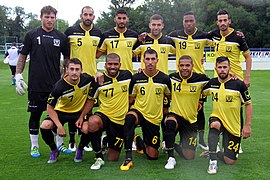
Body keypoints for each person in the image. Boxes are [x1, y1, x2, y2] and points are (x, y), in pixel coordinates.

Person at [15, 5, 70, 158]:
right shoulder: (31, 35)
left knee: (57, 115)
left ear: (55, 19)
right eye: (47, 17)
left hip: (55, 85)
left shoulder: (61, 37)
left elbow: (67, 60)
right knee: (35, 115)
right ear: (41, 17)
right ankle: (34, 146)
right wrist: (18, 74)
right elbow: (22, 56)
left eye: (52, 17)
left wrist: (66, 77)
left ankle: (60, 144)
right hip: (36, 84)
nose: (49, 20)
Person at [73, 53, 132, 170]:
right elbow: (90, 101)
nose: (112, 67)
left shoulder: (127, 75)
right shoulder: (99, 80)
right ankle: (98, 157)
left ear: (120, 65)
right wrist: (81, 117)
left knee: (113, 158)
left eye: (115, 64)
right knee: (92, 122)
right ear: (105, 65)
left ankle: (105, 140)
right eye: (109, 64)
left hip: (119, 122)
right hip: (104, 116)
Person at [168, 11, 213, 150]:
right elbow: (159, 42)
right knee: (177, 109)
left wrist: (236, 32)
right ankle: (170, 139)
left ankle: (200, 139)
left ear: (195, 22)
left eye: (191, 21)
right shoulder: (175, 36)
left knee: (199, 110)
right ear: (183, 22)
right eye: (186, 21)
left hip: (198, 79)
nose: (188, 23)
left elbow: (220, 39)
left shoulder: (203, 36)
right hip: (181, 77)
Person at [120, 48, 171, 171]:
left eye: (153, 59)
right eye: (147, 59)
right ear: (143, 60)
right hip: (139, 112)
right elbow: (130, 99)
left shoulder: (164, 79)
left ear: (157, 60)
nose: (150, 62)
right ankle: (128, 158)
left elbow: (168, 98)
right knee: (130, 118)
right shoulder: (136, 78)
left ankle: (138, 141)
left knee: (152, 156)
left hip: (153, 119)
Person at [202, 56, 252, 174]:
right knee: (214, 124)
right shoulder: (211, 83)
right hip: (217, 118)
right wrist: (199, 102)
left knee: (230, 161)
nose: (222, 70)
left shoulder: (239, 85)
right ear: (216, 68)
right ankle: (212, 161)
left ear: (229, 68)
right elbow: (200, 92)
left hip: (233, 125)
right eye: (220, 67)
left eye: (225, 67)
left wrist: (247, 125)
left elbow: (248, 104)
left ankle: (213, 152)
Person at [40, 58, 95, 163]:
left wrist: (81, 116)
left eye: (77, 69)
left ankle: (80, 149)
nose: (74, 72)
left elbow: (90, 100)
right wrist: (59, 126)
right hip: (61, 112)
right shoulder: (59, 87)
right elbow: (50, 108)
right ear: (66, 70)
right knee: (45, 126)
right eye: (72, 69)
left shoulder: (87, 80)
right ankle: (54, 149)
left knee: (88, 128)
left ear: (81, 70)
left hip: (78, 112)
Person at [64, 6, 102, 152]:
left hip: (91, 77)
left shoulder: (98, 33)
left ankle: (85, 140)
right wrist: (65, 72)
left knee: (88, 109)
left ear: (93, 16)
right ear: (81, 15)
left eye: (90, 15)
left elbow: (99, 53)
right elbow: (66, 55)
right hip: (74, 76)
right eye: (85, 14)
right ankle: (72, 140)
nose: (87, 17)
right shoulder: (70, 31)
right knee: (73, 109)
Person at [164, 55, 209, 169]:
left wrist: (231, 76)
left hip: (191, 120)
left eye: (187, 65)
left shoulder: (201, 79)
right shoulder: (172, 78)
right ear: (178, 66)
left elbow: (217, 83)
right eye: (182, 65)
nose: (184, 68)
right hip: (175, 115)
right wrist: (141, 70)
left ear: (192, 66)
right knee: (170, 123)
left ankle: (170, 144)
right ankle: (171, 158)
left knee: (189, 156)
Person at [209, 9, 252, 88]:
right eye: (220, 21)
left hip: (236, 77)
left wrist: (247, 77)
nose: (223, 23)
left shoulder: (238, 37)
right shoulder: (213, 35)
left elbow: (248, 57)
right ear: (217, 22)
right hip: (219, 78)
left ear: (229, 21)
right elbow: (199, 41)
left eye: (225, 20)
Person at [97, 9, 138, 73]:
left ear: (127, 19)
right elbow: (97, 55)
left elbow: (137, 53)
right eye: (119, 18)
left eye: (124, 18)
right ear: (115, 19)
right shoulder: (106, 35)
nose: (121, 21)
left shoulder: (134, 36)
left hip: (127, 73)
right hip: (111, 73)